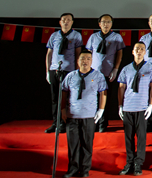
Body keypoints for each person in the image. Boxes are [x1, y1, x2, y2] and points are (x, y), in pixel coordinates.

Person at [60, 49, 107, 178]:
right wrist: (63, 110)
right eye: (82, 59)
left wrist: (101, 110)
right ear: (77, 61)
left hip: (89, 116)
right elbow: (63, 92)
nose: (85, 61)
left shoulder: (98, 76)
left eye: (88, 59)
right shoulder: (70, 76)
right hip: (72, 115)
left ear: (92, 61)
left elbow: (103, 93)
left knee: (87, 144)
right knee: (73, 145)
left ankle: (85, 169)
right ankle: (73, 168)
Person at [117, 41, 152, 176]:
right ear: (133, 52)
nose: (139, 51)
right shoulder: (126, 69)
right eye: (137, 49)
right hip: (128, 107)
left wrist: (151, 105)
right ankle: (129, 162)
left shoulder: (150, 68)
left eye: (142, 49)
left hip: (142, 108)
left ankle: (138, 163)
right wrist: (120, 106)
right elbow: (121, 88)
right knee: (128, 137)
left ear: (145, 52)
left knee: (141, 137)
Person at [86, 13, 125, 132]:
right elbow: (88, 53)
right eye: (104, 22)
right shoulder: (93, 37)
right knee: (93, 98)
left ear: (111, 24)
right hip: (94, 72)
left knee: (105, 98)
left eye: (108, 22)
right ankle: (93, 122)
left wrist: (115, 69)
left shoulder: (117, 37)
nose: (106, 24)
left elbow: (119, 54)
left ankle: (103, 123)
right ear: (99, 24)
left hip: (108, 72)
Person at [45, 12, 83, 134]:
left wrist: (77, 71)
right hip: (55, 69)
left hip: (69, 70)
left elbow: (78, 54)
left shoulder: (76, 35)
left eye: (68, 20)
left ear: (72, 22)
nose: (66, 22)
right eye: (64, 20)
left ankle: (66, 122)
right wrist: (47, 71)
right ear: (60, 22)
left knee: (67, 98)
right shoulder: (54, 35)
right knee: (55, 98)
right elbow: (49, 54)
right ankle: (55, 122)